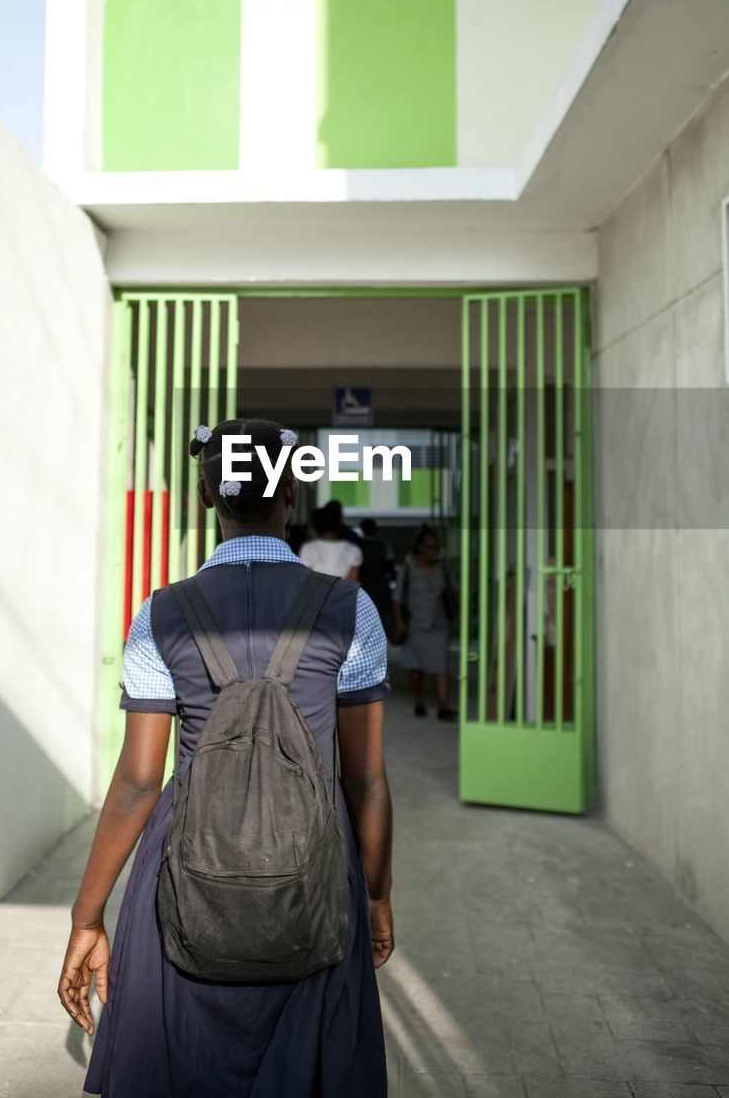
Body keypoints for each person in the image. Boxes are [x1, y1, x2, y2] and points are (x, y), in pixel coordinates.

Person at [59, 418, 394, 1098]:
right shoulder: (349, 610)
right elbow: (364, 782)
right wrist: (376, 895)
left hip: (185, 867)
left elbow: (137, 783)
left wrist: (87, 916)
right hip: (314, 866)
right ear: (291, 496)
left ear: (206, 495)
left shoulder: (161, 614)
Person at [393, 526, 456, 720]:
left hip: (438, 623)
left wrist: (458, 614)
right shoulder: (408, 569)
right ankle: (419, 701)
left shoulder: (443, 569)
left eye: (436, 547)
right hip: (416, 624)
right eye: (429, 547)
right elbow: (397, 597)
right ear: (420, 548)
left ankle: (443, 705)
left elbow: (455, 591)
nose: (434, 551)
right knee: (416, 667)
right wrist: (401, 622)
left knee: (441, 665)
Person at [299, 502, 364, 580]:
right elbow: (352, 586)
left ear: (316, 527)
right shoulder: (353, 550)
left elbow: (304, 581)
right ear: (339, 524)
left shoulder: (308, 548)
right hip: (341, 592)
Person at [358, 518, 395, 639]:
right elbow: (390, 567)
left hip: (363, 585)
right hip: (380, 586)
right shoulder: (383, 546)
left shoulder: (358, 546)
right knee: (381, 616)